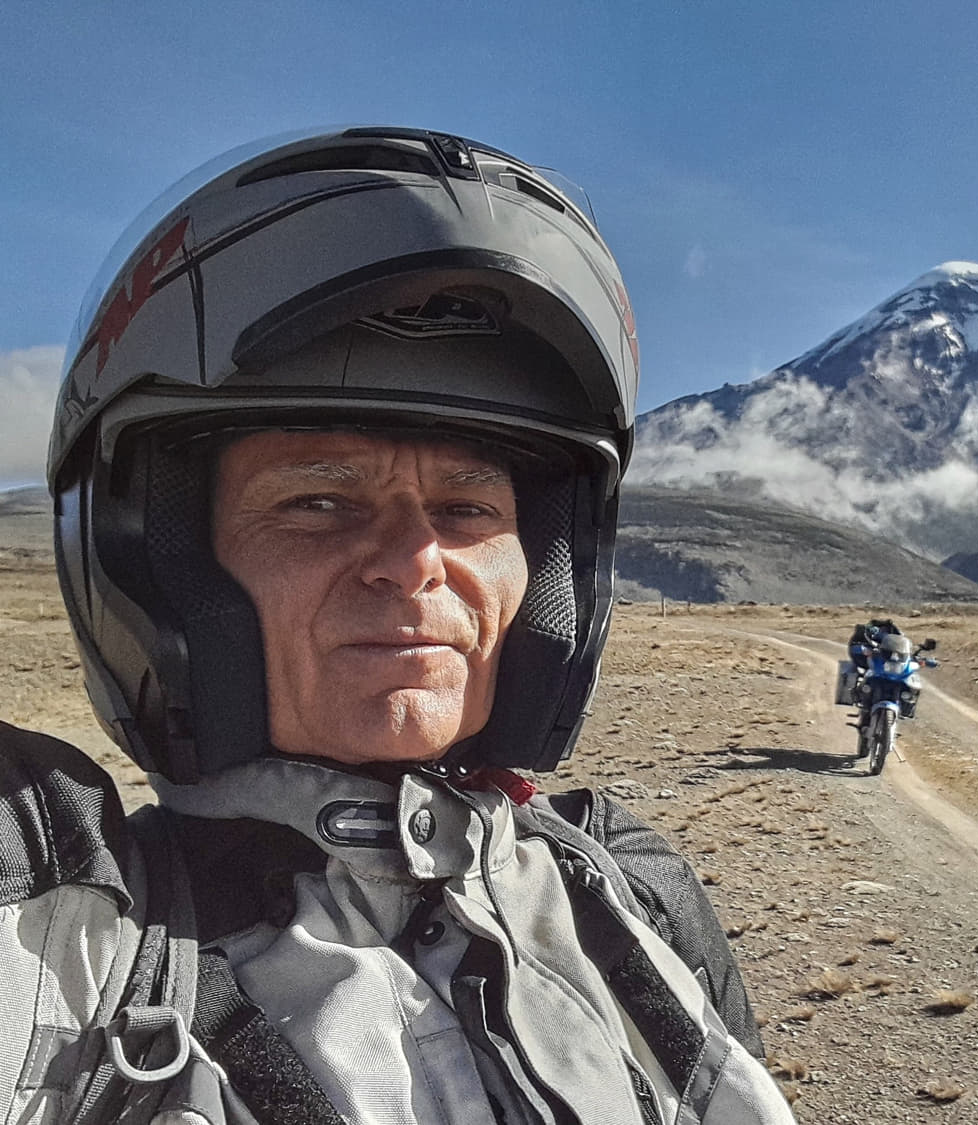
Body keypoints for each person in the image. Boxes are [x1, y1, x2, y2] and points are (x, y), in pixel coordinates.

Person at [0, 128, 794, 1124]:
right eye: (319, 503)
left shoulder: (632, 909)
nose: (418, 561)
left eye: (469, 511)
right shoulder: (54, 916)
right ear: (153, 560)